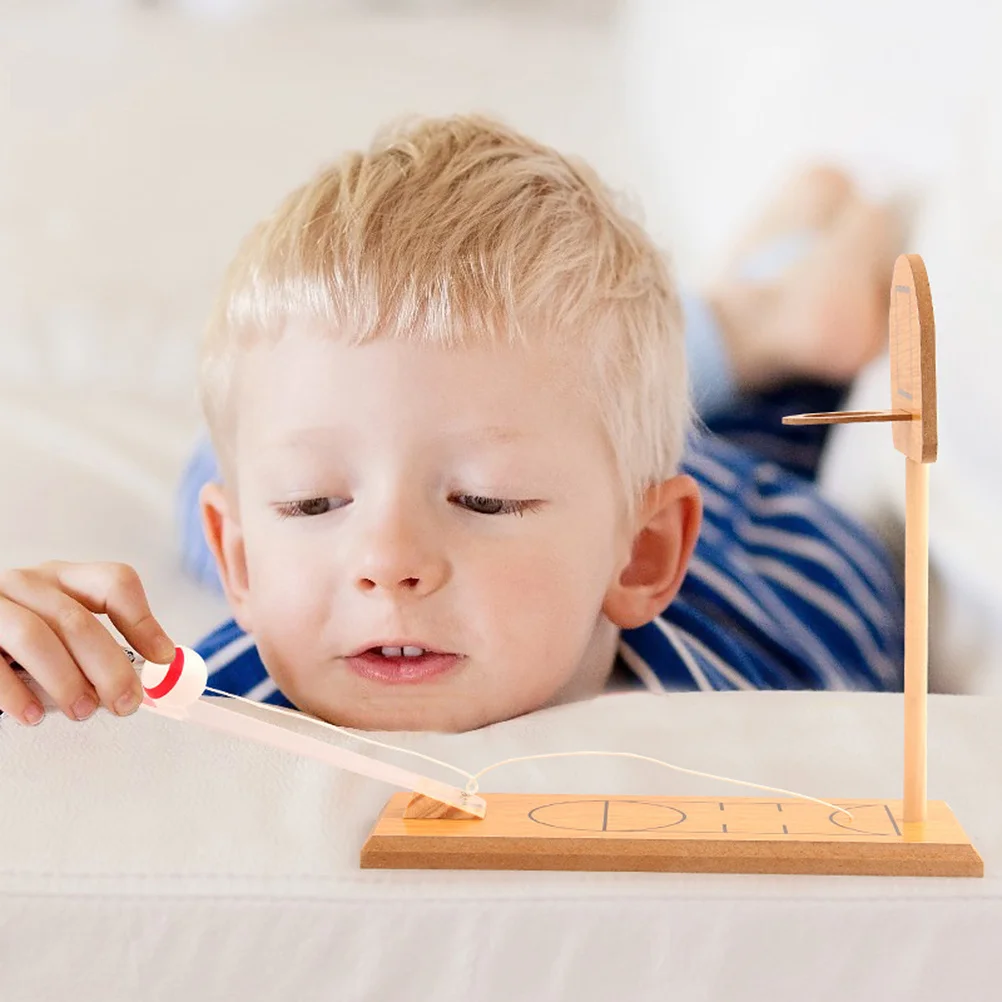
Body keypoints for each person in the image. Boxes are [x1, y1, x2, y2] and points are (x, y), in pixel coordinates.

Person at [0, 116, 904, 733]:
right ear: (235, 567)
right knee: (221, 468)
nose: (386, 560)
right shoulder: (215, 698)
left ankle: (783, 280)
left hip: (729, 492)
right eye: (315, 503)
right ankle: (751, 296)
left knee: (708, 424)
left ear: (642, 556)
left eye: (485, 500)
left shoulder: (778, 686)